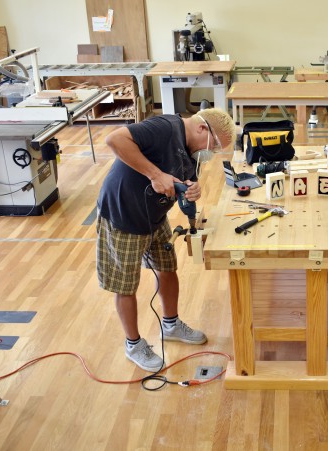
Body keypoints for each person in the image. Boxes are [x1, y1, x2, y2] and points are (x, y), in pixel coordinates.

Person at [96, 108, 236, 372]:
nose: (213, 153)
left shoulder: (193, 151)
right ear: (202, 129)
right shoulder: (164, 128)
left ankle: (171, 324)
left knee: (167, 268)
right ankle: (133, 344)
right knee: (126, 285)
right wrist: (155, 174)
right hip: (123, 215)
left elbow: (186, 178)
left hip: (154, 217)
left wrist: (193, 188)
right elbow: (114, 139)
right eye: (215, 145)